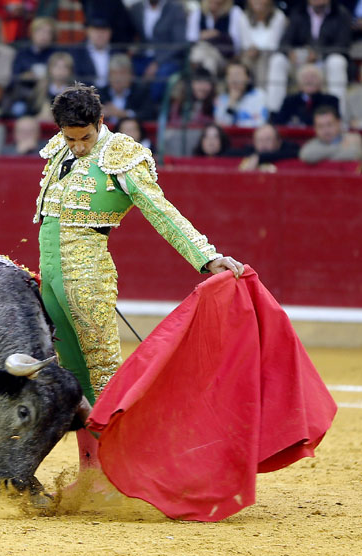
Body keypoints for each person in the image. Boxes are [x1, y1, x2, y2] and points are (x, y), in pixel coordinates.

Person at [33, 84, 243, 483]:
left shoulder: (122, 155)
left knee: (106, 377)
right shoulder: (60, 149)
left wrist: (206, 256)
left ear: (100, 123)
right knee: (74, 381)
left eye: (85, 137)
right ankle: (94, 474)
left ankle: (141, 473)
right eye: (70, 138)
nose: (78, 146)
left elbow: (161, 211)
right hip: (52, 280)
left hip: (87, 279)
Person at [267, 0, 352, 114]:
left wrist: (318, 54)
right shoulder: (299, 11)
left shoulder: (341, 14)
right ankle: (274, 113)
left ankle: (338, 113)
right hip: (300, 63)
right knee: (277, 60)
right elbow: (285, 43)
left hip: (324, 63)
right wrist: (290, 53)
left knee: (337, 61)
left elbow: (343, 46)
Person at [128, 0, 188, 101]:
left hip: (168, 59)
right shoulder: (136, 8)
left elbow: (179, 43)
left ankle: (153, 106)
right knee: (126, 72)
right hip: (142, 56)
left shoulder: (175, 8)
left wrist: (157, 62)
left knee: (160, 77)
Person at [236, 0, 287, 89]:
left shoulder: (278, 16)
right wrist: (252, 50)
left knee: (263, 60)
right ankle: (245, 92)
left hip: (270, 53)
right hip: (250, 53)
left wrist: (258, 50)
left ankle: (261, 92)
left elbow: (273, 43)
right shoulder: (244, 16)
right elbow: (245, 42)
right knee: (244, 60)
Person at [187, 0, 245, 76]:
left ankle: (201, 79)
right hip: (204, 54)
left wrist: (218, 35)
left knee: (203, 56)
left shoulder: (234, 12)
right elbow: (191, 38)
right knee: (208, 60)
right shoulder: (198, 13)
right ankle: (207, 80)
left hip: (224, 56)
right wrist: (202, 36)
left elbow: (237, 42)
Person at [269, 64, 339, 126]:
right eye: (305, 77)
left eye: (313, 77)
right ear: (299, 83)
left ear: (320, 82)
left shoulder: (331, 101)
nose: (309, 80)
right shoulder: (289, 101)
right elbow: (280, 123)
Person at [97, 53, 156, 125]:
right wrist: (98, 114)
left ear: (131, 75)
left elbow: (149, 114)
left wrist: (126, 114)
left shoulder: (141, 93)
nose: (118, 78)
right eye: (114, 73)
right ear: (108, 76)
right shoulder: (100, 94)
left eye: (122, 73)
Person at [214, 61, 268, 127]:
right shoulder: (221, 99)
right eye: (230, 75)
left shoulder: (259, 95)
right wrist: (231, 103)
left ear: (248, 79)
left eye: (238, 74)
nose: (234, 79)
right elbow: (221, 126)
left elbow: (260, 122)